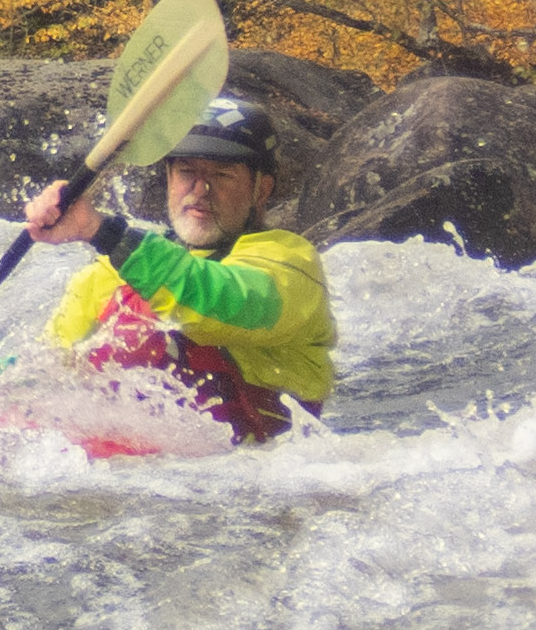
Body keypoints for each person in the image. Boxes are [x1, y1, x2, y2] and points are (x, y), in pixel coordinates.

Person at [19, 96, 333, 442]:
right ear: (169, 178)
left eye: (222, 175)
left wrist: (102, 231)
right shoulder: (108, 274)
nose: (200, 190)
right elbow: (44, 368)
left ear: (262, 189)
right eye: (186, 172)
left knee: (149, 312)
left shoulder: (291, 264)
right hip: (120, 461)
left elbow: (214, 303)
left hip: (247, 465)